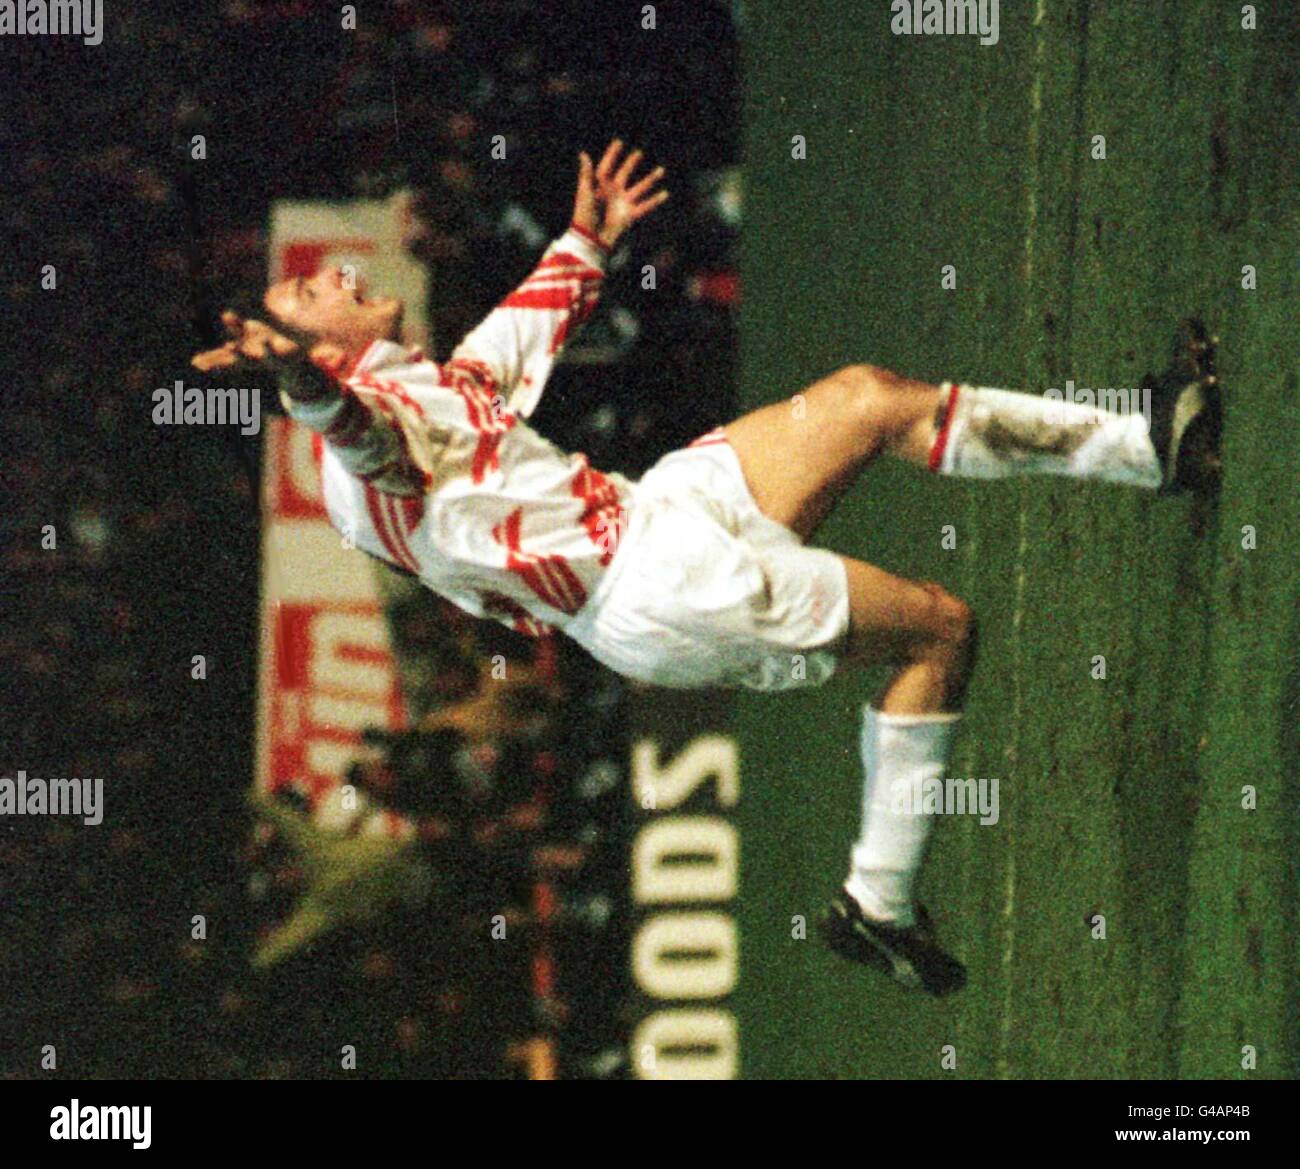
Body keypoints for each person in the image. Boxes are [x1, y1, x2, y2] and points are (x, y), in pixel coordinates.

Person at [193, 140, 1222, 995]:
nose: (335, 272)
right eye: (306, 287)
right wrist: (294, 379)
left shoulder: (420, 383)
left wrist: (587, 236)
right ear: (304, 347)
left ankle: (1151, 445)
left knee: (868, 397)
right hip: (655, 590)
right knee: (941, 627)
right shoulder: (357, 451)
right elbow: (353, 426)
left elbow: (509, 347)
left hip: (658, 512)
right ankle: (879, 895)